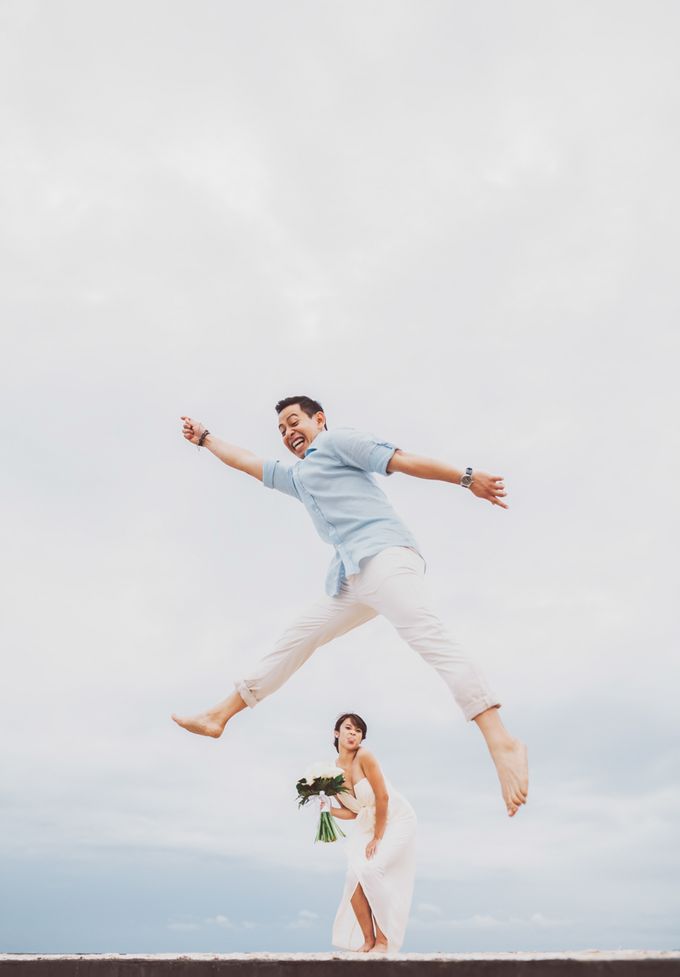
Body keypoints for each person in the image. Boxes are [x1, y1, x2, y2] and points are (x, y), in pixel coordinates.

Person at [172, 395, 528, 816]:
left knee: (428, 637)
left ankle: (499, 738)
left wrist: (467, 479)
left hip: (385, 557)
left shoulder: (338, 442)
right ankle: (220, 715)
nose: (288, 434)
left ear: (318, 420)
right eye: (282, 431)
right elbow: (248, 461)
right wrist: (206, 439)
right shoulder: (299, 477)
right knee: (299, 636)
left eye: (294, 422)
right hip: (353, 578)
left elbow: (401, 460)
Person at [327, 713, 416, 954]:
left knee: (371, 869)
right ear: (337, 733)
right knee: (352, 878)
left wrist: (378, 837)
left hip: (395, 818)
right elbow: (353, 811)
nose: (353, 733)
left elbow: (382, 797)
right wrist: (327, 810)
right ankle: (368, 940)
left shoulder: (364, 756)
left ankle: (384, 940)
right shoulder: (331, 772)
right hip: (368, 823)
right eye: (348, 728)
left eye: (358, 731)